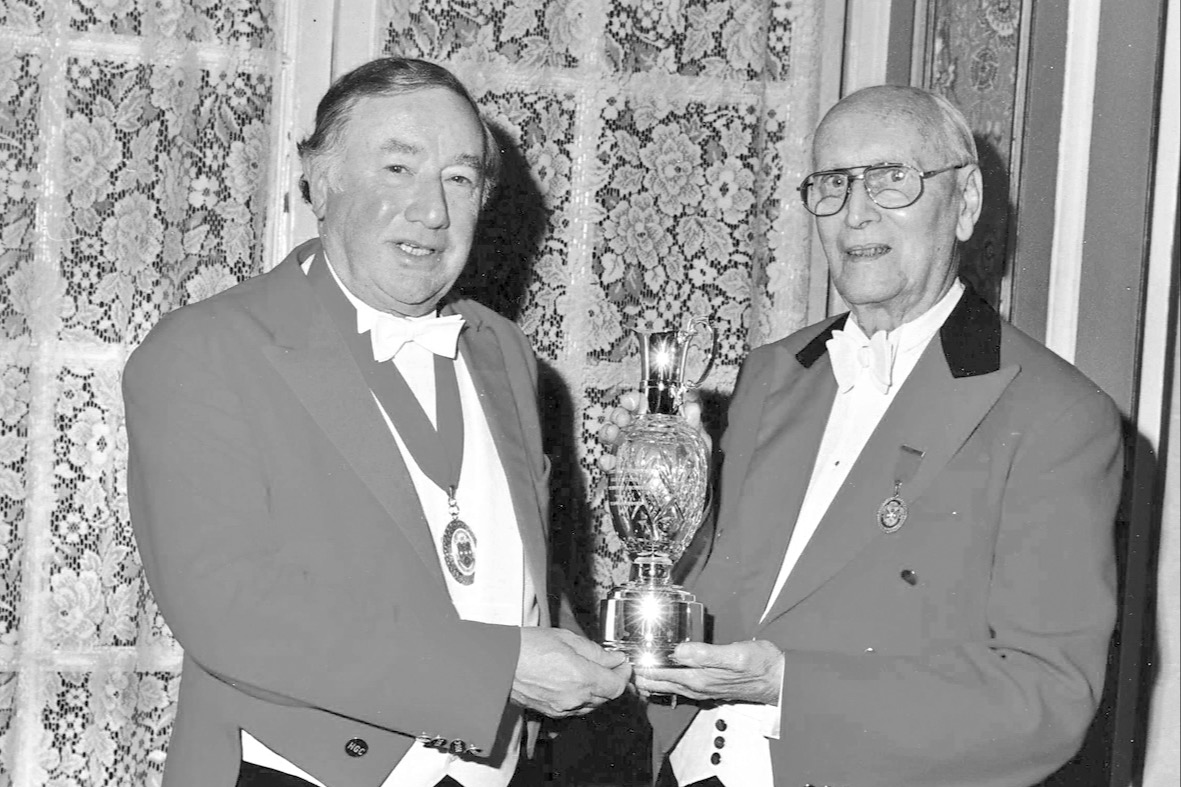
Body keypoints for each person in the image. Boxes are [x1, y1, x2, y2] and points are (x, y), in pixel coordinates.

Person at [124, 57, 631, 787]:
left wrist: (596, 661)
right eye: (398, 168)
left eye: (459, 178)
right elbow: (231, 608)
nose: (432, 210)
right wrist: (502, 669)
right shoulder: (204, 350)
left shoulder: (502, 351)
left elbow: (519, 577)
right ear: (320, 180)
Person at [601, 84, 1123, 787]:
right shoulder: (774, 372)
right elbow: (726, 592)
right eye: (832, 183)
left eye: (890, 179)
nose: (855, 211)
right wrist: (672, 502)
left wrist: (792, 687)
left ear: (963, 202)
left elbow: (1045, 699)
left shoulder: (1056, 414)